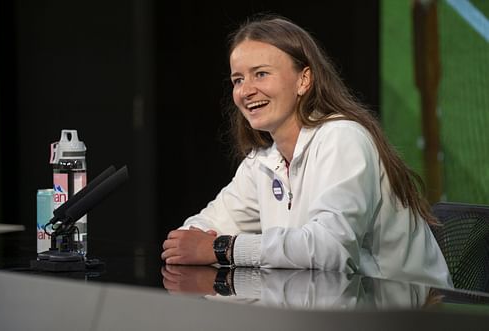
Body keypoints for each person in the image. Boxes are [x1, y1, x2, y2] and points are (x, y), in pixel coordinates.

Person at [161, 14, 451, 287]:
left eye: (260, 74)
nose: (246, 90)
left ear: (304, 80)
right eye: (238, 79)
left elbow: (330, 251)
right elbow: (196, 232)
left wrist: (221, 248)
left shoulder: (343, 139)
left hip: (411, 315)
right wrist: (198, 242)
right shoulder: (262, 160)